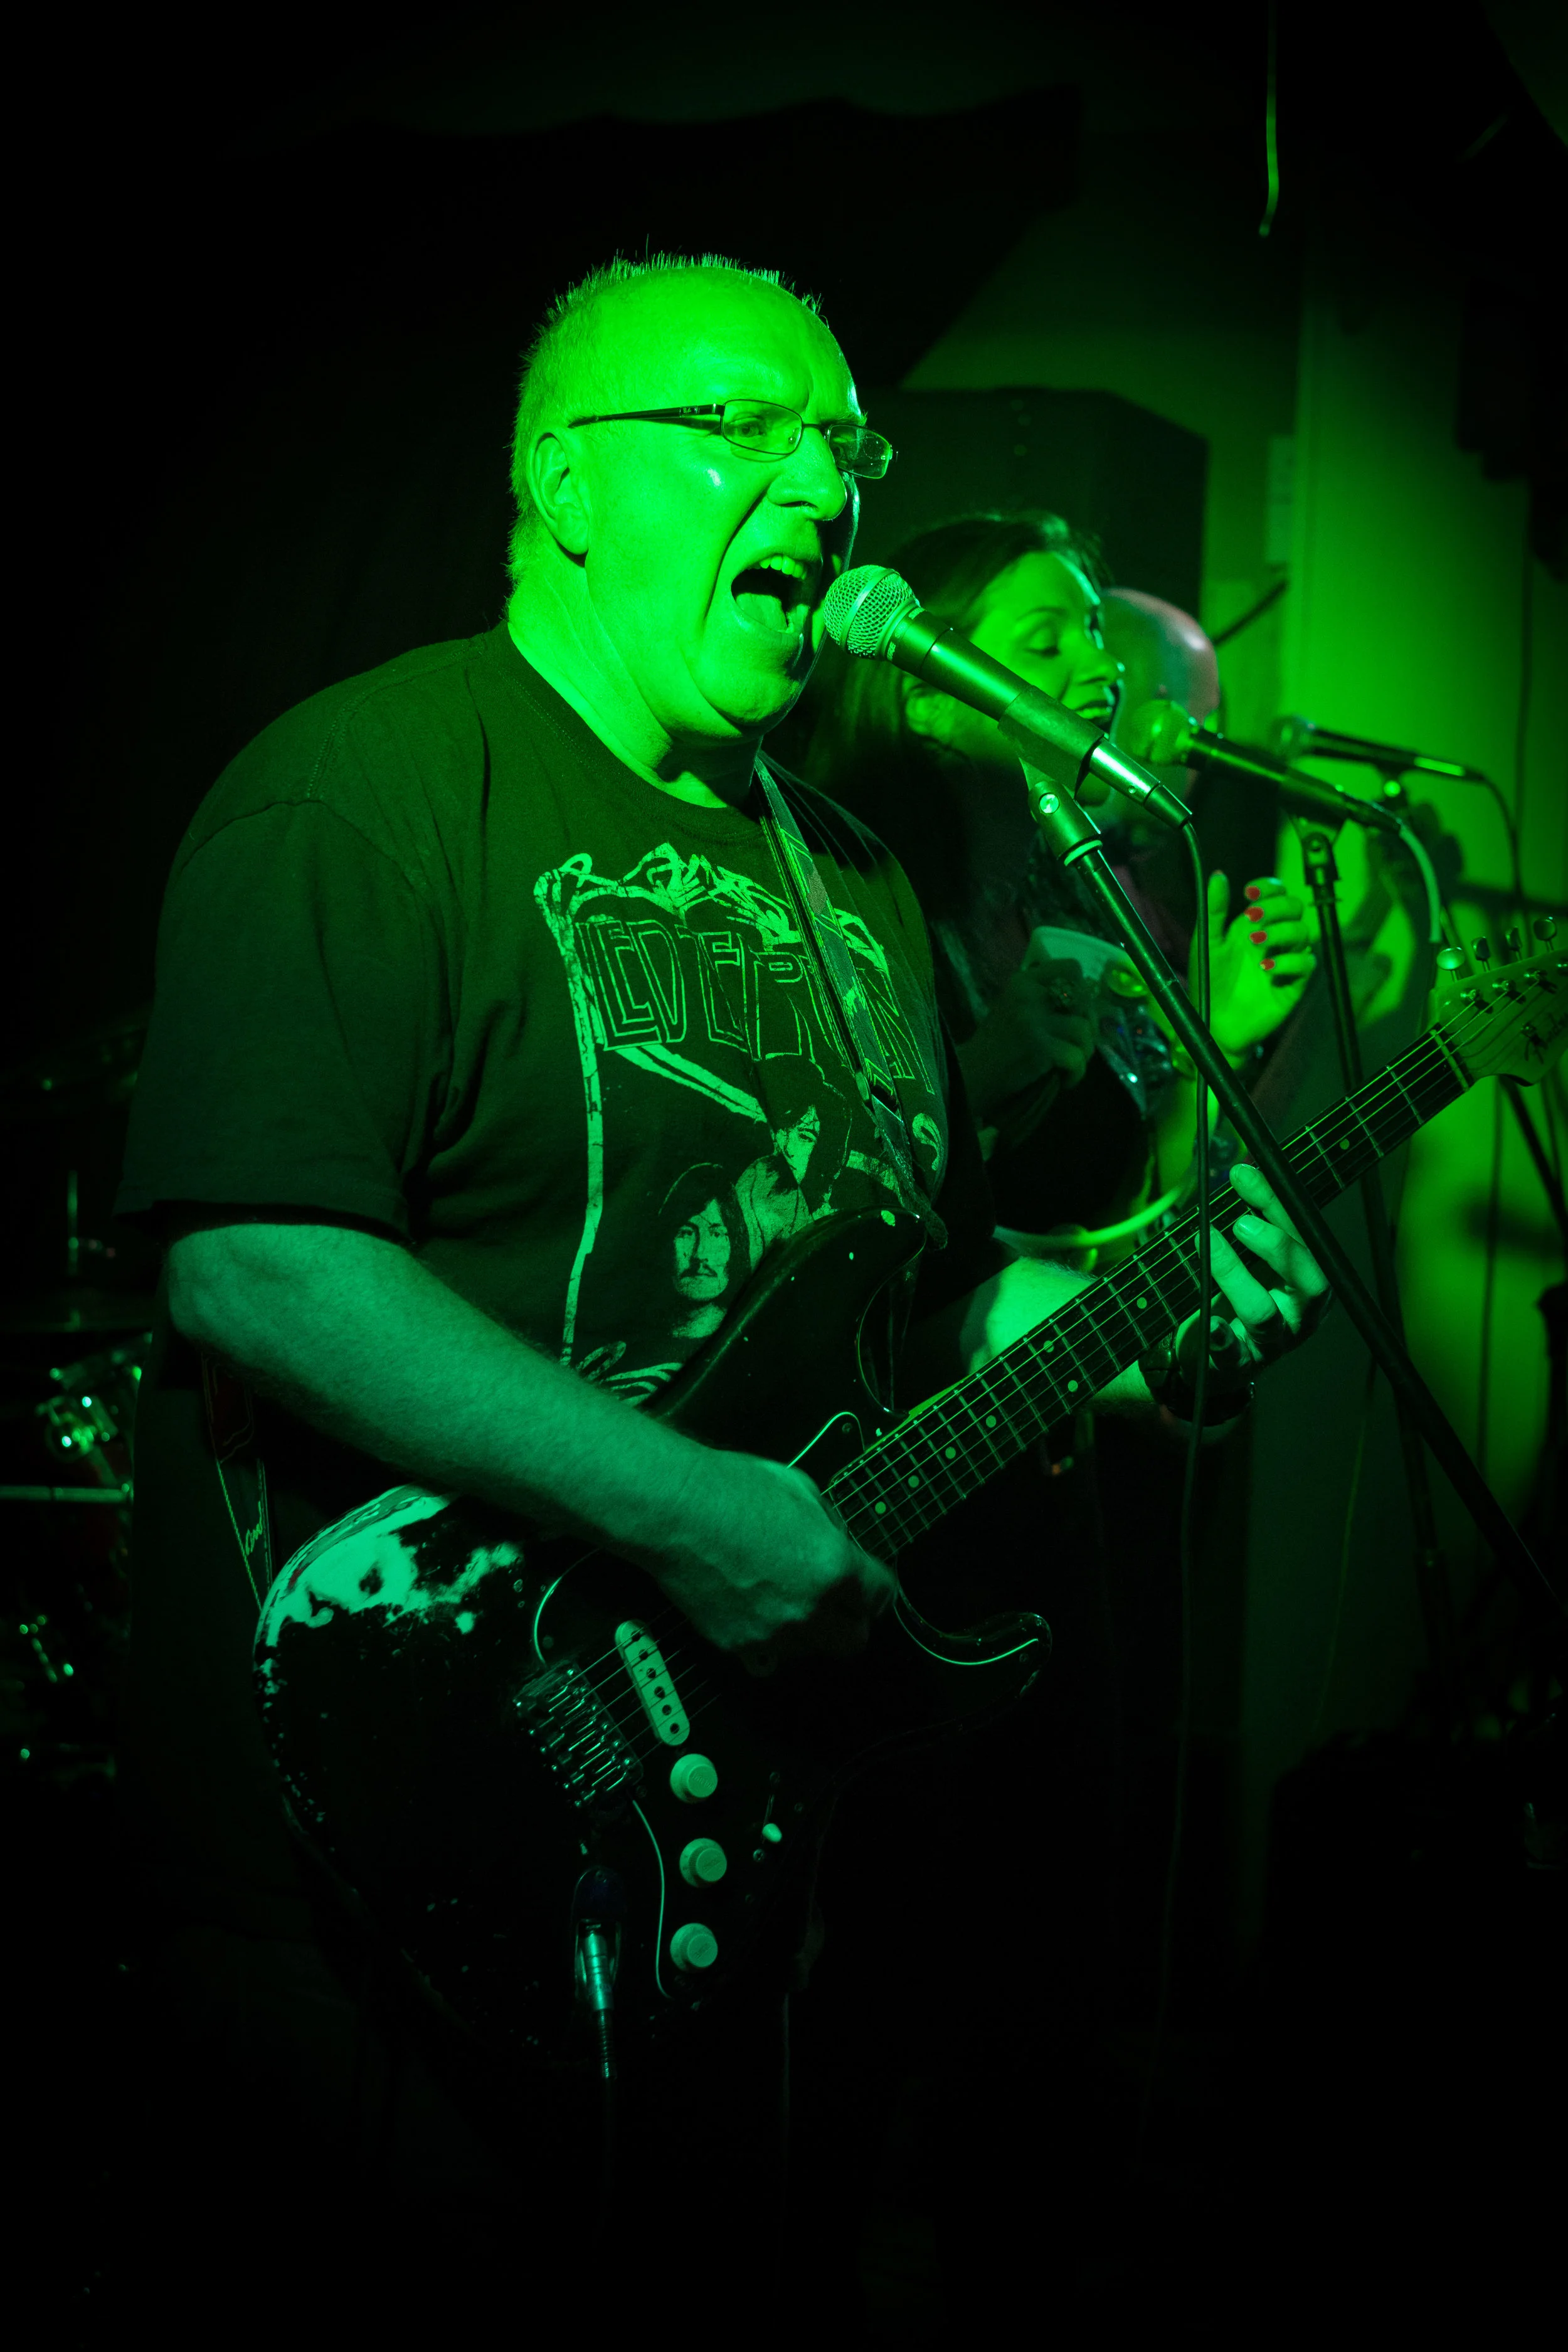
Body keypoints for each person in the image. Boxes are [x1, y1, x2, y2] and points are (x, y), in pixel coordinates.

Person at [114, 256, 1328, 2327]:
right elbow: (254, 1263)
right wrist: (692, 1514)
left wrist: (1132, 1317)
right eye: (741, 430)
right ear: (566, 484)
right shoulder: (369, 788)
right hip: (387, 1874)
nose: (824, 489)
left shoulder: (850, 883)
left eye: (843, 446)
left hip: (722, 1890)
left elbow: (919, 1322)